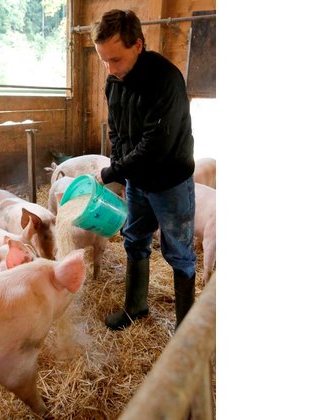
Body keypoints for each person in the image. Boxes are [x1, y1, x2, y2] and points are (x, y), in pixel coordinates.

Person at [91, 9, 197, 330]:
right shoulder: (115, 81)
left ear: (138, 45)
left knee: (178, 250)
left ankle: (185, 330)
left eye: (116, 59)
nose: (110, 69)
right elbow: (117, 131)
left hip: (169, 181)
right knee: (134, 239)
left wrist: (112, 173)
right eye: (104, 60)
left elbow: (155, 146)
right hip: (138, 181)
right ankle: (135, 306)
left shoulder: (165, 80)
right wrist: (119, 170)